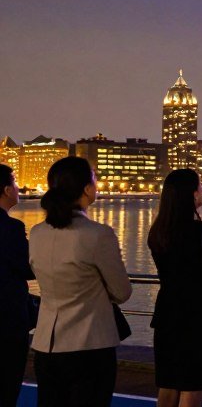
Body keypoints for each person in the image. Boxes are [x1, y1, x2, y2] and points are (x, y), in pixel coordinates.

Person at [29, 156, 133, 407]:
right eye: (94, 178)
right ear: (87, 189)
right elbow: (122, 292)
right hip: (89, 346)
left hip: (46, 344)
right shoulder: (98, 234)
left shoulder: (37, 233)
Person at [149, 169, 202, 407]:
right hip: (199, 316)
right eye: (200, 186)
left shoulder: (157, 233)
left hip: (167, 314)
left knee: (168, 384)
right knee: (193, 385)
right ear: (191, 194)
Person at [0, 164, 32, 407]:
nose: (18, 188)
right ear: (6, 190)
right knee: (7, 388)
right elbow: (27, 267)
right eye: (15, 182)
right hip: (8, 321)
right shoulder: (11, 228)